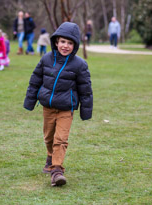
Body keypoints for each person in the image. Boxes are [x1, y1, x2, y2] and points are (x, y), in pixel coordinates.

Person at [23, 22, 93, 187]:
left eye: (70, 43)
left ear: (75, 45)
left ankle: (57, 171)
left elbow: (86, 89)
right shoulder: (46, 58)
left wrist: (86, 110)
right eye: (63, 42)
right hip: (48, 106)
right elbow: (35, 81)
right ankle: (50, 156)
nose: (65, 46)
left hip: (66, 109)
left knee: (60, 139)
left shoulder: (80, 65)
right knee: (49, 137)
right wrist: (30, 101)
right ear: (56, 42)